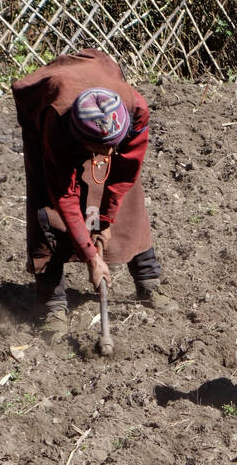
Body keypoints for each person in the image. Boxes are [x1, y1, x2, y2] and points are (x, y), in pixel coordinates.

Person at [12, 49, 174, 339]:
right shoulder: (56, 121)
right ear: (79, 139)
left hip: (99, 90)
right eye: (101, 148)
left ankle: (148, 280)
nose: (109, 153)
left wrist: (106, 221)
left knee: (129, 199)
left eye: (114, 146)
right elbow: (65, 196)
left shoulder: (135, 110)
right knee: (47, 207)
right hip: (49, 112)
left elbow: (124, 173)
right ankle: (52, 302)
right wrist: (92, 257)